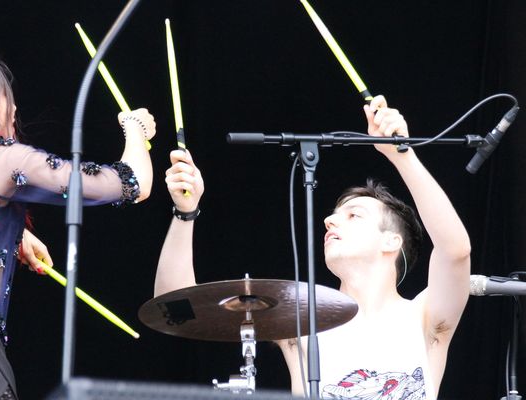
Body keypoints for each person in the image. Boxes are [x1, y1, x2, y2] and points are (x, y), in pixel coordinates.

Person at [154, 95, 470, 400]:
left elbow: (455, 250)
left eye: (353, 216)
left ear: (392, 241)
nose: (330, 222)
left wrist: (402, 155)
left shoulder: (424, 316)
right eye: (333, 216)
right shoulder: (299, 322)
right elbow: (176, 308)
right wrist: (185, 213)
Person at [0, 48, 154, 399]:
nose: (14, 108)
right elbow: (131, 183)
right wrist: (136, 131)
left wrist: (7, 235)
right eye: (5, 96)